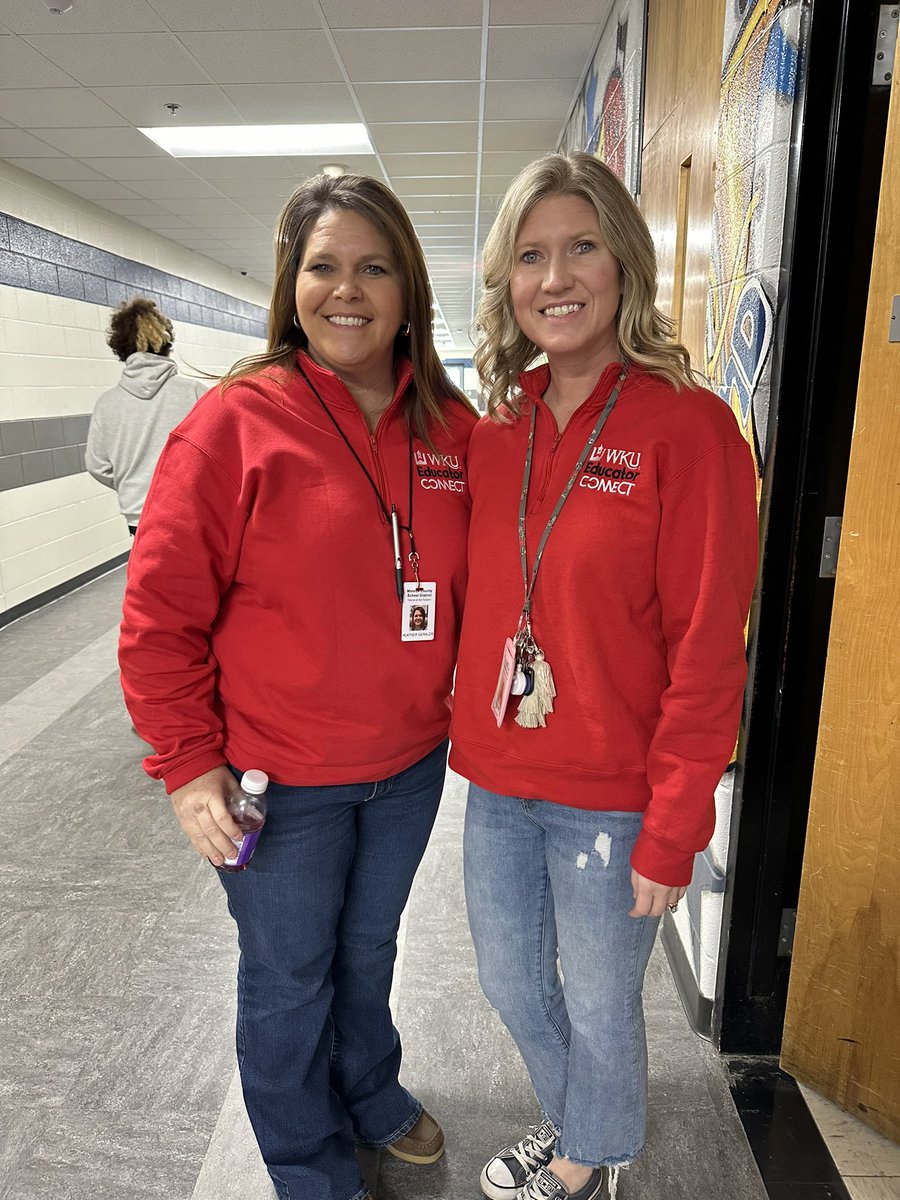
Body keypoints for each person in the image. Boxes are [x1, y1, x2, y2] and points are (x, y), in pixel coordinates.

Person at [118, 173, 477, 1200]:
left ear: (408, 291)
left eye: (375, 267)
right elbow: (158, 618)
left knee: (367, 951)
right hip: (277, 781)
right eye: (324, 267)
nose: (347, 289)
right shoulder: (235, 424)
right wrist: (188, 765)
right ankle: (309, 1167)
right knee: (288, 977)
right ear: (292, 286)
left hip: (409, 765)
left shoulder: (450, 428)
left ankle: (369, 1090)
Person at [450, 153, 759, 1200]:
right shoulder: (498, 427)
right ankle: (585, 1123)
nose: (555, 277)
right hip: (498, 781)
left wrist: (675, 826)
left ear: (624, 262)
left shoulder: (689, 428)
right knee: (508, 983)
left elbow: (709, 648)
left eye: (581, 247)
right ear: (508, 279)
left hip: (614, 798)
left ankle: (590, 1163)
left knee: (597, 1003)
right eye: (530, 255)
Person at [85, 297, 206, 533]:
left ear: (121, 348)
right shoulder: (195, 393)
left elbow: (97, 465)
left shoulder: (106, 404)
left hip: (139, 516)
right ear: (166, 343)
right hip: (190, 512)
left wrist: (132, 485)